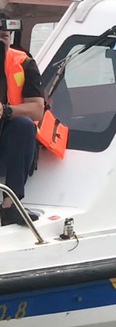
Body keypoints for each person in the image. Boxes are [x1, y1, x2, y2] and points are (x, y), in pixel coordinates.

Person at [0, 12, 44, 226]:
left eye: (5, 34)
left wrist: (6, 111)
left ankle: (11, 205)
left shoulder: (24, 63)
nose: (2, 39)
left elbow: (37, 110)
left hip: (8, 143)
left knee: (25, 125)